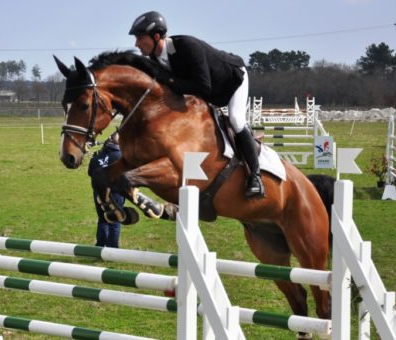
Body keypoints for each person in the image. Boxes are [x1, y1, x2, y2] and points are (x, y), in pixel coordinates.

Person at [128, 11, 264, 199]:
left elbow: (203, 87)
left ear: (156, 36)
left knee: (236, 119)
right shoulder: (155, 59)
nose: (136, 44)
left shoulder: (186, 46)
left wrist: (168, 79)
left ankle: (255, 177)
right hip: (209, 91)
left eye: (140, 38)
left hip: (232, 80)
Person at [88, 132, 125, 247]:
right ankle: (112, 250)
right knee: (115, 221)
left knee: (102, 219)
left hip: (99, 193)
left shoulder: (96, 156)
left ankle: (100, 246)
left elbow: (90, 173)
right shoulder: (121, 156)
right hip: (116, 192)